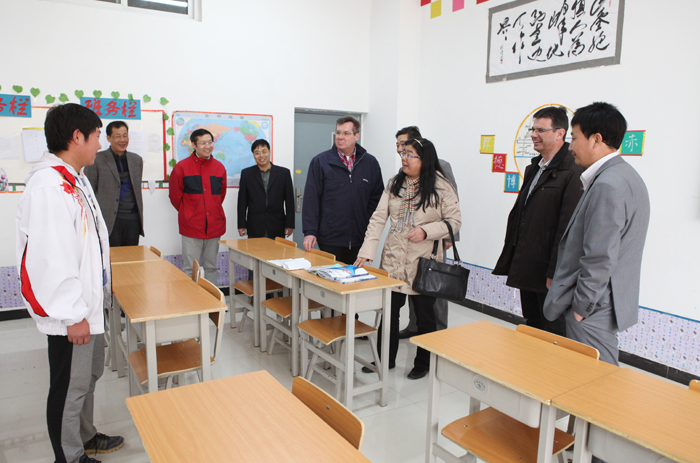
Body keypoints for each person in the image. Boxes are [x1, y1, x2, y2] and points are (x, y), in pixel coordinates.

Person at [16, 103, 124, 463]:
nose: (100, 144)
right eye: (96, 137)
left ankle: (86, 436)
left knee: (88, 378)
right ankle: (69, 456)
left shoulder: (73, 178)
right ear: (77, 137)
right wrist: (71, 314)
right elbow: (51, 260)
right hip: (72, 314)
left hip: (87, 305)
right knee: (69, 387)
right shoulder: (49, 187)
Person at [544, 102, 650, 369]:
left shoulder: (608, 185)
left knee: (594, 380)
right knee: (594, 377)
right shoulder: (626, 175)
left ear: (596, 139)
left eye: (574, 138)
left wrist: (581, 309)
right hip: (605, 302)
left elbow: (599, 257)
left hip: (594, 307)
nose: (570, 147)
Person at [355, 138, 461, 380]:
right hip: (393, 259)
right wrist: (367, 250)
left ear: (424, 159)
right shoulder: (395, 183)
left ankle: (423, 362)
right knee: (389, 313)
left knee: (425, 316)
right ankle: (385, 359)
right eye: (403, 153)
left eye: (410, 154)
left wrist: (426, 231)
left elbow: (454, 221)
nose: (404, 158)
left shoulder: (441, 186)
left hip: (423, 262)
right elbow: (378, 218)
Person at [492, 106, 584, 337]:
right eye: (533, 130)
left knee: (552, 329)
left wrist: (555, 271)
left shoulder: (572, 171)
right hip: (528, 264)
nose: (534, 135)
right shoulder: (535, 167)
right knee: (532, 323)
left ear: (560, 133)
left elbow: (567, 229)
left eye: (541, 130)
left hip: (549, 271)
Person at [393, 126, 460, 339]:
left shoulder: (441, 166)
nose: (400, 150)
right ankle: (414, 326)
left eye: (403, 145)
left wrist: (449, 236)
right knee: (412, 287)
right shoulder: (404, 171)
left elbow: (452, 206)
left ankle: (437, 333)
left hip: (433, 240)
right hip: (409, 242)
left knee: (431, 287)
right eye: (398, 146)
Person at [302, 116, 384, 265]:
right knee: (330, 277)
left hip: (360, 238)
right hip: (329, 238)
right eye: (338, 132)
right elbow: (311, 199)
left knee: (354, 278)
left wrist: (366, 224)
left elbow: (377, 199)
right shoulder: (320, 162)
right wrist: (310, 231)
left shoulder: (370, 163)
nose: (340, 137)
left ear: (356, 136)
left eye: (346, 133)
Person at [169, 128, 227, 283]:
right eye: (203, 143)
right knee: (190, 269)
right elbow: (175, 196)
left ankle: (212, 298)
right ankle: (191, 298)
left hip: (214, 226)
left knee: (211, 267)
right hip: (191, 226)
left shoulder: (219, 168)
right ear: (194, 145)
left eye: (210, 142)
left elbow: (220, 196)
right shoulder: (181, 168)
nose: (207, 146)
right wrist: (188, 212)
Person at [84, 120, 144, 247]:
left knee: (131, 255)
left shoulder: (136, 160)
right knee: (111, 256)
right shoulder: (96, 159)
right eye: (117, 136)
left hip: (133, 219)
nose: (122, 140)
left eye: (125, 135)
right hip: (109, 219)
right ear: (108, 138)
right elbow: (89, 192)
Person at [237, 139, 294, 239]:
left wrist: (290, 224)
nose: (261, 155)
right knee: (254, 250)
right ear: (253, 155)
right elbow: (242, 201)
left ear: (269, 152)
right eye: (257, 153)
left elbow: (289, 201)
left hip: (277, 225)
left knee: (277, 250)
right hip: (255, 226)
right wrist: (241, 225)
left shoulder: (284, 173)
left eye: (264, 151)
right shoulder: (247, 174)